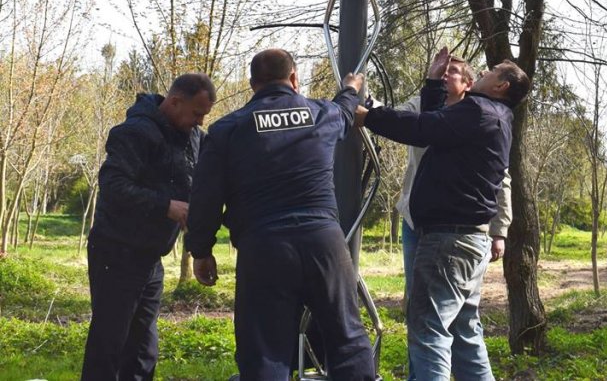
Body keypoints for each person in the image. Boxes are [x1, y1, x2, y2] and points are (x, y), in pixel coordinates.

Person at [185, 48, 376, 381]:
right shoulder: (319, 114)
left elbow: (205, 198)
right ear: (294, 78)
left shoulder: (227, 129)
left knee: (265, 350)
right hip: (324, 244)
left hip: (264, 247)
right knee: (346, 339)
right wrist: (349, 89)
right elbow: (345, 112)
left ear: (252, 84)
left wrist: (201, 250)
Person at [356, 48, 530, 381]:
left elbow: (423, 127)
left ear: (502, 86)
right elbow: (436, 121)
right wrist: (433, 82)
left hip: (449, 241)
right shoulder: (493, 115)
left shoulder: (478, 112)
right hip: (466, 240)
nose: (483, 73)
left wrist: (368, 117)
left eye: (491, 72)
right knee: (465, 333)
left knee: (428, 329)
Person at [80, 73, 216, 381]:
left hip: (150, 258)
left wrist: (200, 249)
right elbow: (113, 185)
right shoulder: (134, 133)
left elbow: (205, 184)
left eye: (204, 116)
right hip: (115, 252)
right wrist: (165, 206)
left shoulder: (194, 139)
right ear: (174, 101)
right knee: (110, 343)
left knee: (143, 349)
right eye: (196, 114)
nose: (199, 121)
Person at [394, 54, 512, 381]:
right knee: (436, 315)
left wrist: (499, 229)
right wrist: (429, 82)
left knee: (435, 322)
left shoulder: (476, 115)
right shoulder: (430, 105)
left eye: (452, 73)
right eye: (442, 73)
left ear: (469, 84)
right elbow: (412, 120)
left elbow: (500, 180)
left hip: (455, 233)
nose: (446, 76)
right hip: (420, 224)